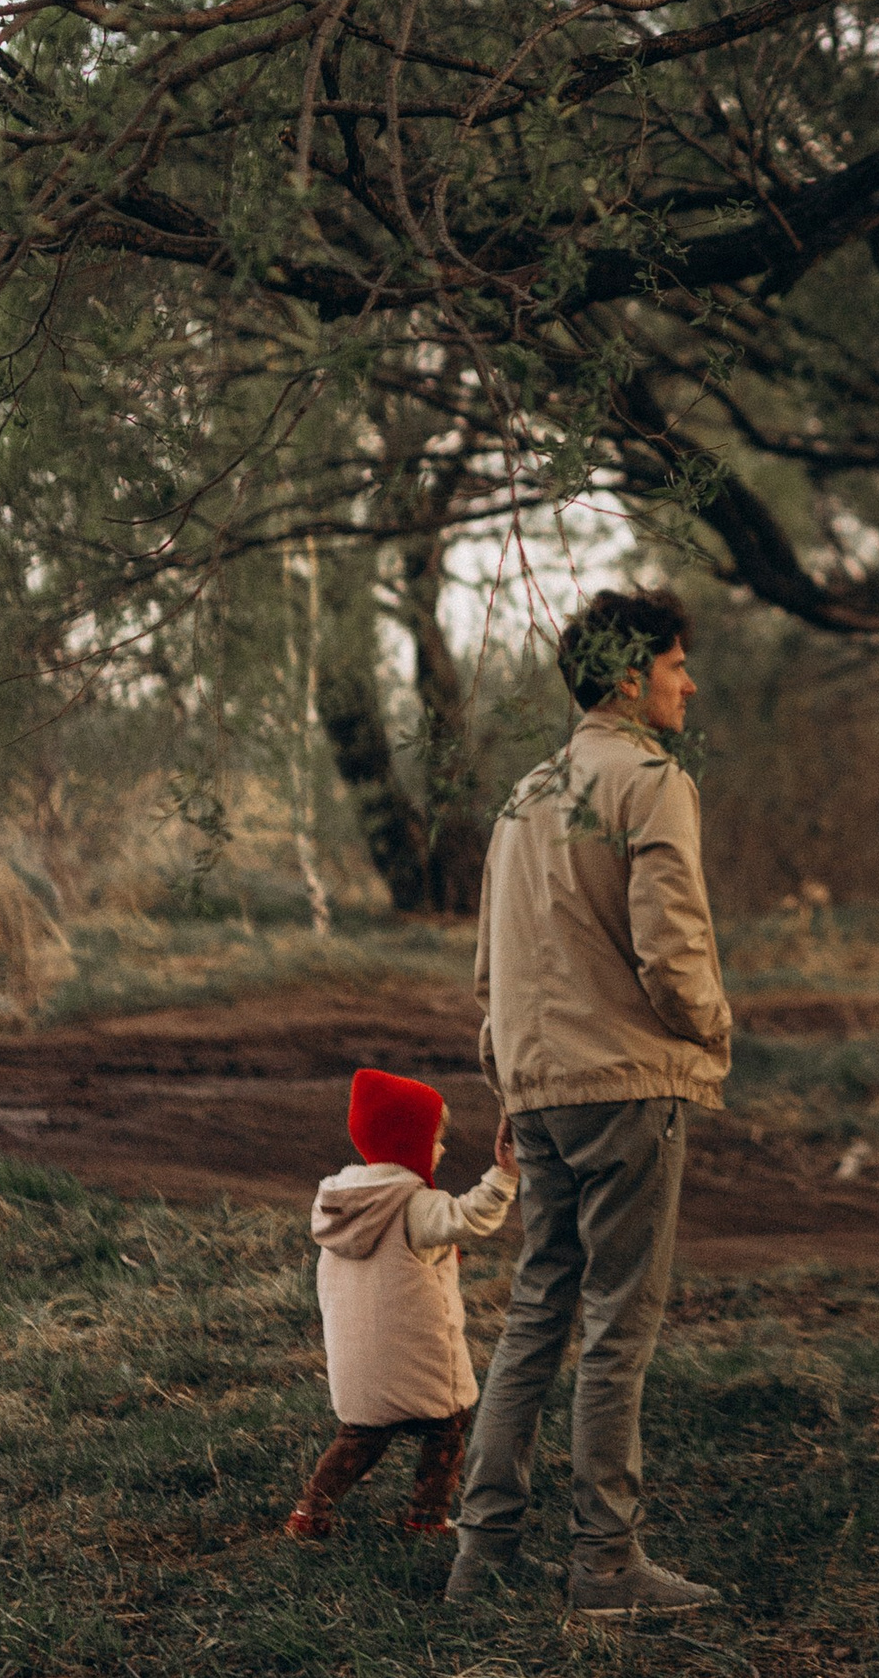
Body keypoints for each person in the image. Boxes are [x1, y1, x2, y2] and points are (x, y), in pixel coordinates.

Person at [450, 585, 732, 1617]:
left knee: (537, 1309)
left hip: (538, 1087)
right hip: (625, 1086)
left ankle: (479, 1556)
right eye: (673, 665)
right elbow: (671, 951)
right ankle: (606, 1567)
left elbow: (492, 968)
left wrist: (512, 1077)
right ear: (628, 678)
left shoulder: (524, 795)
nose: (687, 682)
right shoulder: (651, 779)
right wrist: (710, 1028)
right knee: (617, 1324)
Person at [286, 1068, 517, 1543]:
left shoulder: (339, 1198)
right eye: (435, 1138)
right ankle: (426, 1518)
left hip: (360, 1359)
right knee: (447, 1427)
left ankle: (309, 1513)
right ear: (408, 1140)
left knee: (362, 1434)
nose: (442, 1149)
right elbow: (471, 1217)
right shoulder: (412, 1204)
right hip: (416, 1355)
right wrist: (504, 1173)